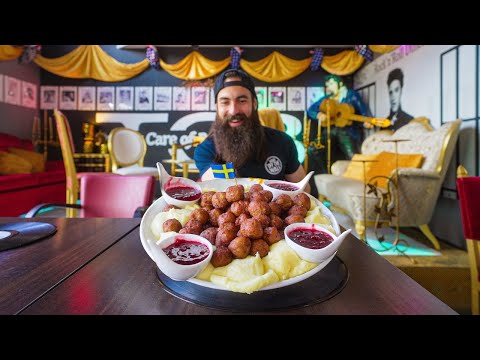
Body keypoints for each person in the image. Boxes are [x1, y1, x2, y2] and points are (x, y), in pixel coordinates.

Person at [194, 68, 310, 192]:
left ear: (254, 104)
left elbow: (303, 190)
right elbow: (212, 191)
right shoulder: (205, 150)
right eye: (225, 102)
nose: (234, 110)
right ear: (217, 107)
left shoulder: (282, 142)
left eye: (242, 101)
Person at [306, 74, 372, 173]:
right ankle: (328, 171)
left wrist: (367, 120)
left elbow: (362, 110)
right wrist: (318, 114)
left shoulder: (351, 95)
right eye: (327, 85)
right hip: (330, 130)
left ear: (340, 84)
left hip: (348, 130)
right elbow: (311, 109)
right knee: (313, 149)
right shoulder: (327, 99)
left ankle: (359, 176)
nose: (329, 87)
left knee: (352, 156)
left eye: (331, 84)